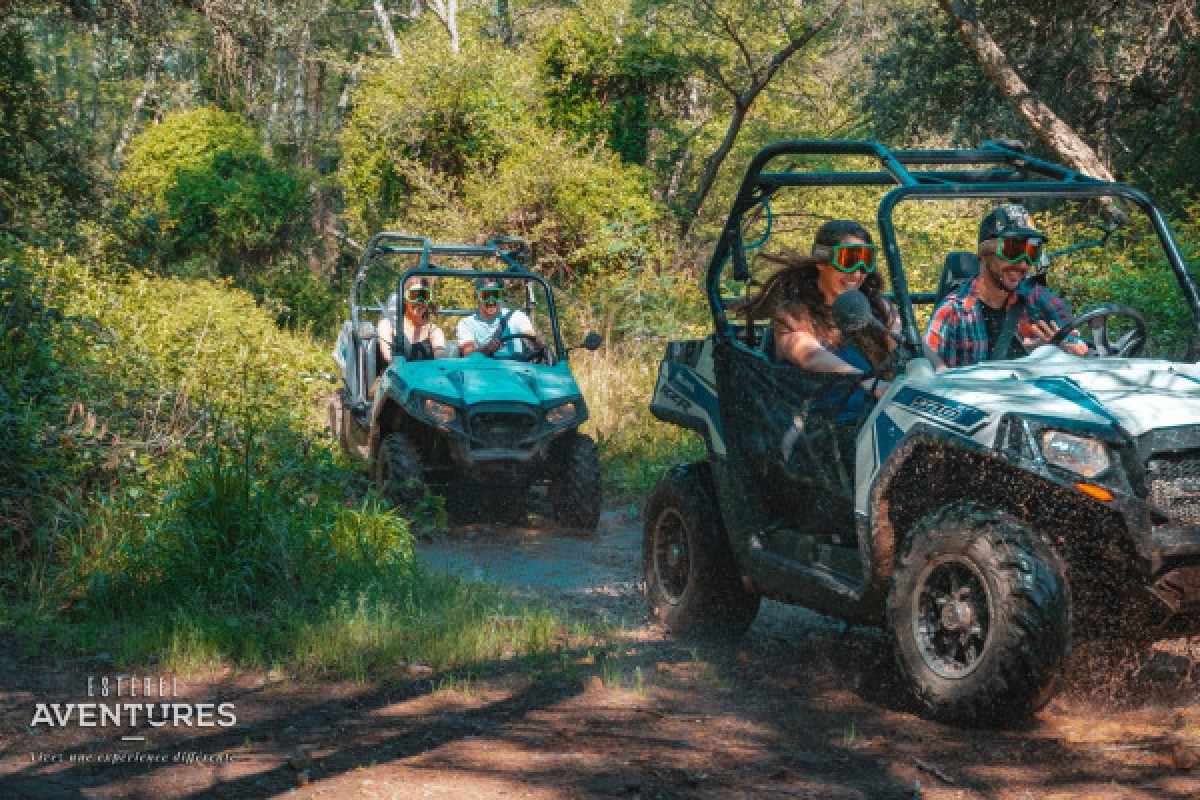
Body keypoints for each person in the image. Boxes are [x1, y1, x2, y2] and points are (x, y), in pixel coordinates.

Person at [746, 219, 897, 399]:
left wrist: (932, 370)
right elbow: (811, 356)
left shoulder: (878, 307)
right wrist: (866, 381)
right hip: (818, 420)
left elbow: (904, 344)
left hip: (875, 416)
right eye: (848, 261)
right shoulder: (793, 314)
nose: (857, 273)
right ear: (821, 261)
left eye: (865, 261)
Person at [925, 204, 1088, 369]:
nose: (1023, 264)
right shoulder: (953, 313)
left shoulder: (1040, 300)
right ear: (983, 253)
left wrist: (1058, 350)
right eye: (1012, 251)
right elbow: (932, 380)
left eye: (1031, 253)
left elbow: (1081, 351)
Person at [457, 275, 546, 358]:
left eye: (496, 295)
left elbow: (529, 335)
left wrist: (536, 341)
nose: (491, 301)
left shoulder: (516, 317)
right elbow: (467, 352)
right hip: (482, 369)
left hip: (515, 368)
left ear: (501, 296)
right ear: (476, 297)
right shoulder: (466, 323)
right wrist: (486, 349)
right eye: (485, 296)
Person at [378, 276, 446, 366]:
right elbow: (388, 357)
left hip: (425, 378)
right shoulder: (387, 325)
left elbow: (440, 361)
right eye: (414, 296)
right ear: (404, 299)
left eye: (425, 296)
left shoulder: (434, 331)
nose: (420, 301)